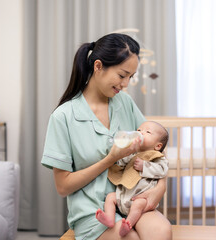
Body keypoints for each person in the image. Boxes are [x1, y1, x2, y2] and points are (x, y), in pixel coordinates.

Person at [41, 33, 172, 240]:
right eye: (122, 75)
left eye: (131, 77)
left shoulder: (125, 104)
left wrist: (160, 188)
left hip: (131, 199)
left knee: (161, 232)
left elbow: (155, 148)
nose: (126, 83)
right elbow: (63, 186)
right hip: (93, 210)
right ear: (98, 66)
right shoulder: (63, 117)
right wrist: (110, 159)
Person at [96, 121, 169, 237]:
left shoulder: (157, 157)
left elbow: (162, 170)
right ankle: (109, 218)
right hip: (124, 196)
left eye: (147, 132)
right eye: (139, 130)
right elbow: (122, 163)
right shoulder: (133, 153)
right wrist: (123, 155)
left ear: (158, 146)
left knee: (138, 205)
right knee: (110, 197)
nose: (140, 133)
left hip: (139, 198)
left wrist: (144, 166)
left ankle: (128, 224)